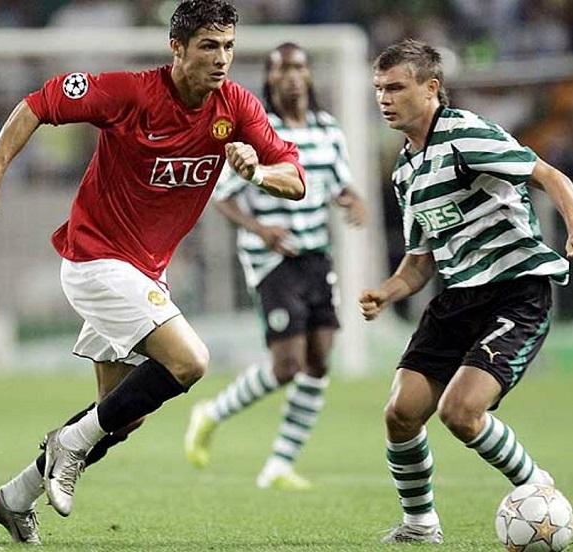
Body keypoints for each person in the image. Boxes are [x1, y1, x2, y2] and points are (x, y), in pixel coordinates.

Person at [0, 0, 305, 545]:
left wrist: (259, 171)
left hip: (144, 274)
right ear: (177, 48)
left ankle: (15, 496)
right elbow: (37, 104)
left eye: (229, 46)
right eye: (208, 46)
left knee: (123, 416)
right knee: (190, 361)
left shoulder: (236, 106)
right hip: (96, 261)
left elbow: (296, 177)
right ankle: (69, 443)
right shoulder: (130, 93)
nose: (222, 59)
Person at [362, 38, 573, 544]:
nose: (384, 99)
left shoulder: (467, 135)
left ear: (431, 88)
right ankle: (420, 525)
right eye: (378, 89)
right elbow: (419, 263)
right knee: (401, 413)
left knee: (461, 411)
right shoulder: (405, 171)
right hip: (457, 296)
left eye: (396, 87)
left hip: (516, 289)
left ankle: (535, 486)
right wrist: (388, 292)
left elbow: (551, 176)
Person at [184, 42, 366, 490]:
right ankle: (212, 412)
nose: (291, 75)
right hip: (271, 261)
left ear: (308, 76)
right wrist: (261, 230)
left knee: (320, 361)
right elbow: (221, 196)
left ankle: (280, 464)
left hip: (315, 254)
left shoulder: (328, 129)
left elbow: (338, 183)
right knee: (287, 365)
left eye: (299, 67)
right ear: (269, 78)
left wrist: (352, 199)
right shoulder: (259, 134)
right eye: (282, 68)